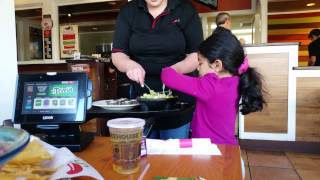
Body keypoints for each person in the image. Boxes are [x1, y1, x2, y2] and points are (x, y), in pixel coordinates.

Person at [111, 0, 203, 139]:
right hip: (139, 101)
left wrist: (174, 71)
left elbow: (196, 55)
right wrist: (130, 65)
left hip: (178, 101)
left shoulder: (186, 9)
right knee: (141, 156)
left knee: (174, 158)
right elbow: (118, 54)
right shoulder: (129, 11)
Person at [161, 28, 265, 145]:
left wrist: (178, 67)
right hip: (228, 147)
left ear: (217, 65)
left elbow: (167, 76)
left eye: (200, 63)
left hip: (208, 152)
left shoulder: (209, 86)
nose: (197, 68)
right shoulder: (236, 80)